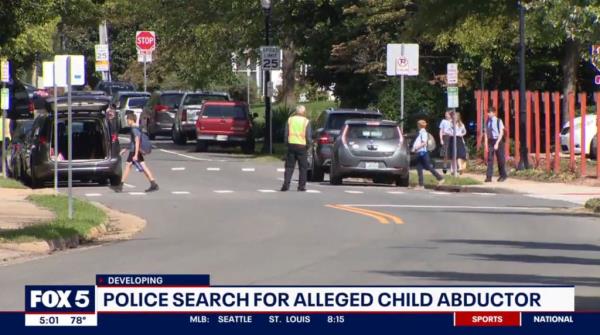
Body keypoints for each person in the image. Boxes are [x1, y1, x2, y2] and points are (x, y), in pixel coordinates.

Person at [113, 113, 158, 192]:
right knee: (143, 166)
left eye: (127, 120)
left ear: (131, 120)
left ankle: (121, 185)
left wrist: (136, 154)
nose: (127, 121)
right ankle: (153, 183)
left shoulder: (134, 129)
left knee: (128, 166)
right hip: (134, 150)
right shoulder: (136, 128)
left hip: (134, 151)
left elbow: (137, 141)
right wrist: (125, 149)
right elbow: (133, 142)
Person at [280, 105, 312, 192]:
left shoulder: (290, 120)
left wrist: (286, 144)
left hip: (291, 145)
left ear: (296, 112)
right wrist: (308, 146)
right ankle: (301, 186)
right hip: (302, 146)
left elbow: (286, 133)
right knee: (303, 168)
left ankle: (286, 184)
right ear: (303, 112)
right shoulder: (306, 121)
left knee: (289, 167)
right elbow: (308, 136)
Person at [412, 120, 444, 189]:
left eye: (418, 125)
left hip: (422, 153)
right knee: (419, 167)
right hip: (420, 153)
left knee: (428, 167)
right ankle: (421, 185)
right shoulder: (421, 133)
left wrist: (416, 148)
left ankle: (440, 178)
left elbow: (424, 143)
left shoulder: (423, 133)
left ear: (419, 125)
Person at [484, 107, 507, 182]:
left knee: (500, 159)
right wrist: (486, 145)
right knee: (490, 159)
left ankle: (503, 175)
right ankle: (488, 176)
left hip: (498, 140)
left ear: (494, 113)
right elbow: (486, 133)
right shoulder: (488, 121)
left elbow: (501, 133)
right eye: (488, 112)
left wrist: (497, 143)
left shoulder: (498, 121)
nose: (488, 114)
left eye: (490, 112)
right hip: (491, 140)